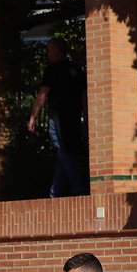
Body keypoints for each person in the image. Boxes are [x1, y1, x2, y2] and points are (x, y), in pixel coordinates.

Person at [27, 37, 88, 198]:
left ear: (57, 50)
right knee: (65, 151)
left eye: (49, 50)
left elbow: (43, 94)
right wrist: (85, 120)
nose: (47, 53)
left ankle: (78, 189)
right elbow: (84, 98)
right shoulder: (77, 69)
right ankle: (55, 193)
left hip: (58, 116)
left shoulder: (52, 69)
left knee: (63, 150)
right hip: (75, 116)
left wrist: (33, 117)